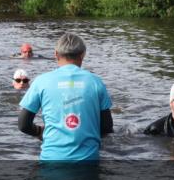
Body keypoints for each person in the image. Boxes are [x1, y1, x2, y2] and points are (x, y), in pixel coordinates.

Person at [18, 32, 113, 161]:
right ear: (83, 54)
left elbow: (23, 125)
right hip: (88, 161)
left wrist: (39, 131)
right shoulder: (95, 82)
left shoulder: (41, 81)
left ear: (56, 54)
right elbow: (107, 127)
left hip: (51, 160)